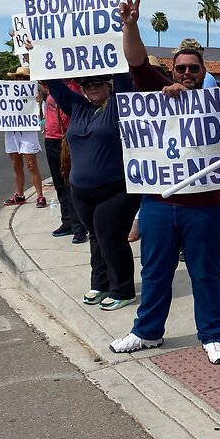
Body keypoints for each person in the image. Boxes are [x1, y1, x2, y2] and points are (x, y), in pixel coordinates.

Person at [110, 0, 220, 365]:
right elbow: (135, 60)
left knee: (205, 274)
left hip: (206, 208)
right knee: (155, 272)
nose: (185, 74)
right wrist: (130, 26)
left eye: (193, 69)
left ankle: (212, 334)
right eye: (180, 68)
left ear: (203, 71)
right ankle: (147, 332)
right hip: (158, 205)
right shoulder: (156, 90)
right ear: (172, 70)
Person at [44, 69, 142, 312]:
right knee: (96, 238)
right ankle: (100, 283)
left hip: (116, 189)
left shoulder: (118, 105)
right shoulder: (77, 106)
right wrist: (34, 53)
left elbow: (123, 77)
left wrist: (117, 42)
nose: (92, 87)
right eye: (86, 84)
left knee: (111, 238)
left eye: (98, 82)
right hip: (81, 190)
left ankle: (123, 289)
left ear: (109, 85)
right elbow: (53, 83)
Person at [38, 78, 89, 244]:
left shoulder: (72, 86)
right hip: (51, 138)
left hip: (67, 139)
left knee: (71, 184)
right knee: (59, 184)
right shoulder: (48, 86)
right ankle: (66, 221)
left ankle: (79, 227)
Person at [0, 66, 47, 208]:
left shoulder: (36, 95)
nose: (20, 80)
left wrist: (38, 103)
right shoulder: (7, 94)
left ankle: (40, 196)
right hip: (11, 131)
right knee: (16, 164)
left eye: (24, 78)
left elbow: (41, 117)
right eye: (18, 77)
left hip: (27, 132)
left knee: (31, 165)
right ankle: (19, 195)